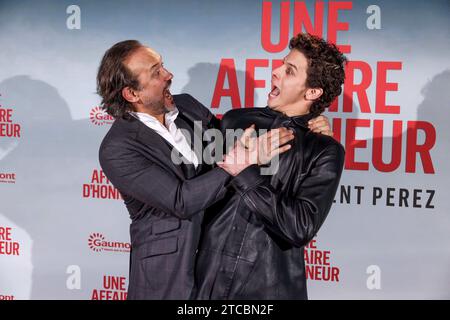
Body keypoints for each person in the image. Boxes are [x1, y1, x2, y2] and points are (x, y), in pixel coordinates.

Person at [97, 40, 331, 299]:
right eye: (156, 72)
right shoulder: (118, 148)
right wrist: (241, 164)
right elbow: (181, 200)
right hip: (166, 278)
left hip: (214, 272)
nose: (168, 75)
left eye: (162, 65)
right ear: (132, 94)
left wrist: (308, 126)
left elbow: (228, 143)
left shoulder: (184, 105)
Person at [195, 33, 347, 300]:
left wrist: (245, 171)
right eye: (281, 65)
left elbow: (300, 226)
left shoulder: (325, 150)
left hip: (269, 289)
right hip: (207, 279)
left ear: (312, 92)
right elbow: (201, 194)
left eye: (289, 71)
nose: (275, 72)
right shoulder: (234, 120)